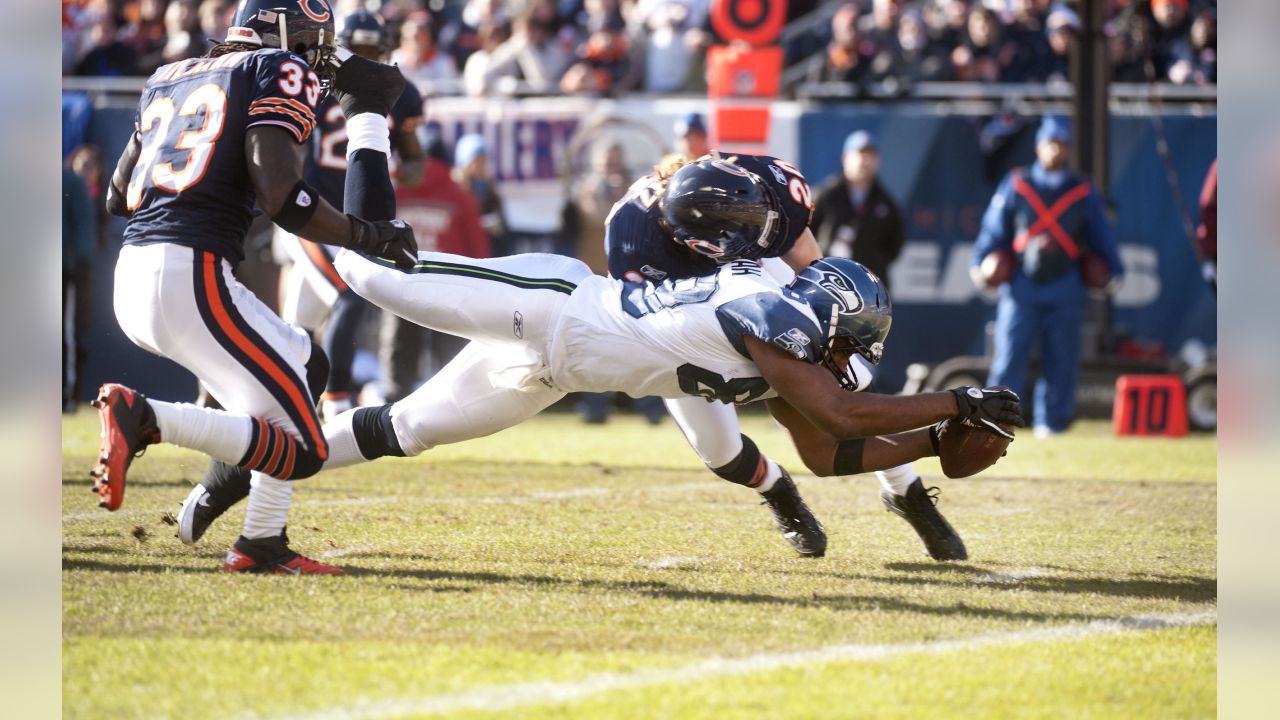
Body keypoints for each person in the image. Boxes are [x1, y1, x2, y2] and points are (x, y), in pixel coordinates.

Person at [312, 166, 1021, 571]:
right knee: (374, 275)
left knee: (409, 429)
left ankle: (270, 457)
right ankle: (280, 205)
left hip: (557, 375)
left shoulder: (777, 241)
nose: (843, 359)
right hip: (559, 312)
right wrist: (954, 405)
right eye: (844, 341)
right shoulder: (752, 303)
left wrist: (930, 435)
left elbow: (827, 440)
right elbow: (837, 414)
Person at [90, 0, 419, 574]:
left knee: (307, 365)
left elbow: (120, 197)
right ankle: (146, 417)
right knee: (305, 449)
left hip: (140, 269)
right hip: (188, 276)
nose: (318, 56)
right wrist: (366, 233)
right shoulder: (276, 68)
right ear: (287, 33)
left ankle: (261, 542)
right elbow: (284, 198)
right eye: (315, 40)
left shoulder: (169, 75)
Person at [607, 154, 970, 561]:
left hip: (753, 281)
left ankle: (907, 490)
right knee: (721, 453)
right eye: (741, 222)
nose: (759, 228)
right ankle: (776, 489)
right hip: (685, 321)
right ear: (695, 239)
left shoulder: (750, 185)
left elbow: (809, 261)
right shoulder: (635, 247)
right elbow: (652, 325)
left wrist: (824, 333)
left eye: (757, 217)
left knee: (846, 376)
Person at [275, 8, 426, 422]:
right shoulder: (312, 83)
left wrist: (390, 163)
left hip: (357, 218)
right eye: (353, 49)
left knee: (300, 321)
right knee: (349, 292)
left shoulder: (400, 90)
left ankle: (290, 402)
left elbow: (416, 162)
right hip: (313, 214)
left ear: (384, 50)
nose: (361, 57)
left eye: (370, 50)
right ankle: (337, 399)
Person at [971, 116, 1123, 438]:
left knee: (1062, 359)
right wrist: (981, 262)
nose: (1055, 150)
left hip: (1065, 283)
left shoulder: (1082, 191)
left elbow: (1102, 236)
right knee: (1009, 355)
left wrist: (1113, 270)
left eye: (1062, 144)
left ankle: (1052, 423)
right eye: (1050, 143)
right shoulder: (1017, 184)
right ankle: (997, 419)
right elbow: (993, 230)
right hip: (1022, 285)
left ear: (1068, 148)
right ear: (1039, 146)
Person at [380, 131, 491, 403]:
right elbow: (477, 247)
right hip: (448, 283)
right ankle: (453, 404)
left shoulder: (393, 190)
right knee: (451, 351)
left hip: (401, 279)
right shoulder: (459, 195)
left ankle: (395, 403)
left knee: (400, 345)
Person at [810, 130, 906, 291]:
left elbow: (894, 245)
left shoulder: (885, 201)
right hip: (829, 281)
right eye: (860, 153)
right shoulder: (826, 194)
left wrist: (873, 261)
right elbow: (807, 233)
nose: (866, 160)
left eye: (871, 155)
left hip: (869, 286)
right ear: (846, 158)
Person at [63, 161, 96, 413]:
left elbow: (84, 224)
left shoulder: (71, 182)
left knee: (67, 331)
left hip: (65, 269)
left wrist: (79, 261)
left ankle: (67, 394)